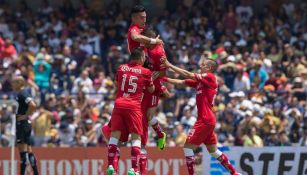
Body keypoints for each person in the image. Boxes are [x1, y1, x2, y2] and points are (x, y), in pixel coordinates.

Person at [162, 59, 241, 175]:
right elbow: (182, 82)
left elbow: (188, 74)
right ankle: (235, 173)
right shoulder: (201, 82)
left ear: (209, 68)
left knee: (187, 147)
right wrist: (163, 79)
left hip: (205, 119)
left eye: (203, 65)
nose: (200, 65)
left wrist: (170, 65)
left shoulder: (210, 77)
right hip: (207, 119)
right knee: (213, 151)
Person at [107, 48, 155, 175]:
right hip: (133, 107)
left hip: (119, 104)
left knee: (114, 136)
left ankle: (111, 166)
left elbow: (117, 84)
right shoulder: (146, 72)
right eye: (144, 57)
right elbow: (151, 90)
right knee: (136, 137)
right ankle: (134, 168)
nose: (145, 59)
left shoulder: (121, 68)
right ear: (140, 58)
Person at [12, 76, 39, 175]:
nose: (12, 85)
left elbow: (33, 105)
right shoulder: (24, 93)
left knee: (23, 153)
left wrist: (25, 115)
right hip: (25, 123)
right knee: (29, 150)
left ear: (20, 83)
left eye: (14, 82)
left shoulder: (22, 93)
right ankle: (36, 173)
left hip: (22, 124)